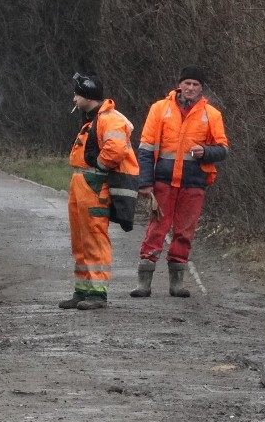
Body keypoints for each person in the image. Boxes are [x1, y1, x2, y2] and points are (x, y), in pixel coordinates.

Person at [130, 65, 229, 298]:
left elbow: (223, 149)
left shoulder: (212, 114)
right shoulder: (159, 109)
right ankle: (144, 283)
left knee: (185, 232)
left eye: (195, 85)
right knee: (156, 230)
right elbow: (145, 149)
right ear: (180, 85)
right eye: (187, 83)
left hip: (194, 183)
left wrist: (205, 151)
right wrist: (145, 183)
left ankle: (177, 283)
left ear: (202, 88)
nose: (191, 88)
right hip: (163, 182)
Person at [59, 73, 139, 311]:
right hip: (82, 183)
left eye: (77, 94)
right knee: (81, 240)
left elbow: (116, 150)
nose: (74, 98)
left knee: (94, 237)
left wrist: (100, 165)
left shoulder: (109, 119)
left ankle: (97, 293)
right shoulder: (95, 119)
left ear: (87, 96)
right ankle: (82, 290)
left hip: (94, 184)